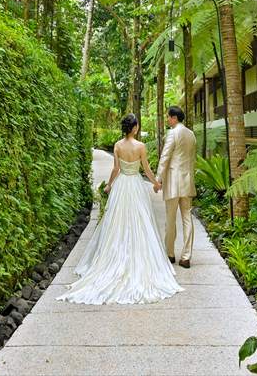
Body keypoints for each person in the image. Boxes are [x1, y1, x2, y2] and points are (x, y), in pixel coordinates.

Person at [57, 114, 182, 305]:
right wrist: (156, 183)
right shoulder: (140, 147)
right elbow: (146, 169)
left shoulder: (117, 145)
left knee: (117, 221)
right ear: (134, 128)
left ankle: (113, 257)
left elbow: (116, 169)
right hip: (135, 186)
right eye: (137, 126)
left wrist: (108, 185)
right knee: (139, 221)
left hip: (122, 184)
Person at [156, 105, 196, 267]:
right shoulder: (191, 135)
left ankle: (170, 254)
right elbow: (193, 159)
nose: (167, 119)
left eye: (168, 117)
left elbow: (165, 157)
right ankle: (186, 257)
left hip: (173, 181)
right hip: (187, 181)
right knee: (187, 218)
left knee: (170, 219)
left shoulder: (173, 133)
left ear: (174, 118)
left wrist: (158, 178)